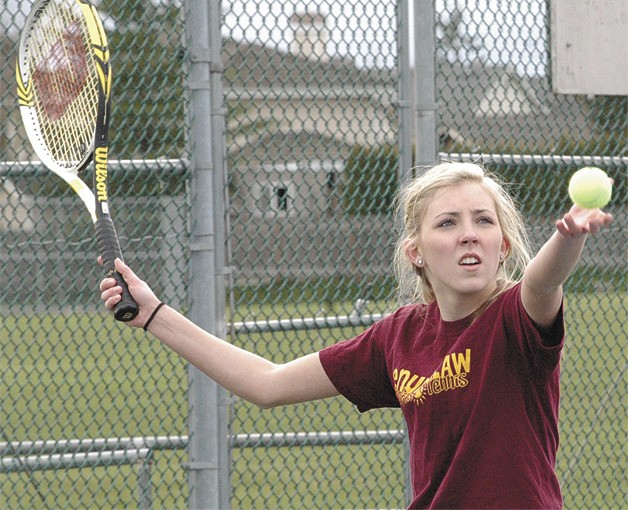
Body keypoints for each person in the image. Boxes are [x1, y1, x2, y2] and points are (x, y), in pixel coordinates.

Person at [99, 161, 613, 509]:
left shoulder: (514, 319)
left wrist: (568, 237)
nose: (469, 233)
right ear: (417, 251)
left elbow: (544, 281)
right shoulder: (400, 337)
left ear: (502, 244)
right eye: (448, 222)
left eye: (483, 221)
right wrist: (155, 315)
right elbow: (269, 384)